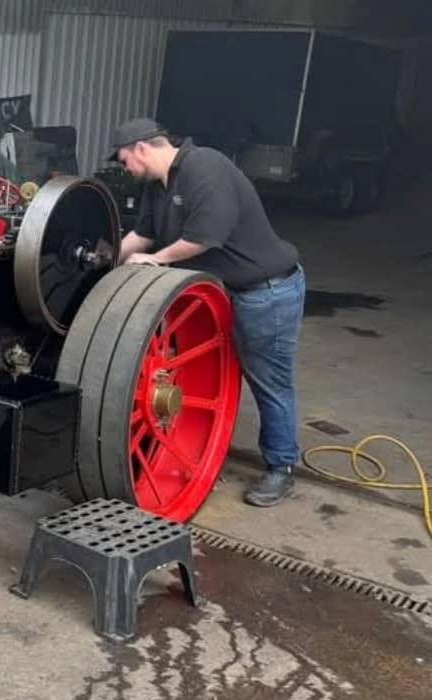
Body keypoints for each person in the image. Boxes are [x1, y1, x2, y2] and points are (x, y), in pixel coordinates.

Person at [108, 117, 305, 507]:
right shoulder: (157, 186)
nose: (125, 168)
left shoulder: (206, 168)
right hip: (220, 291)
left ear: (142, 148)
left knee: (268, 380)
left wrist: (155, 261)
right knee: (201, 375)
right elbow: (142, 236)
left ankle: (281, 468)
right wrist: (105, 259)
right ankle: (196, 456)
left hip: (266, 291)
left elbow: (203, 237)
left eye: (124, 160)